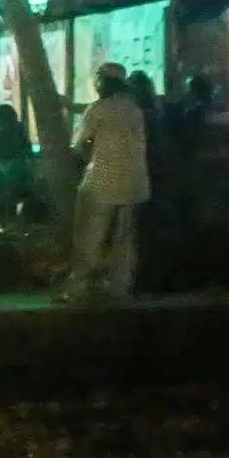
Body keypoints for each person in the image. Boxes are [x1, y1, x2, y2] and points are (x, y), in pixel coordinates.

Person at [64, 63, 151, 301]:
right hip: (134, 184)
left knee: (89, 237)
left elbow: (79, 145)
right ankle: (120, 288)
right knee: (125, 240)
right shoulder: (135, 110)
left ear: (102, 82)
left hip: (101, 181)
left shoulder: (97, 109)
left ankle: (77, 288)